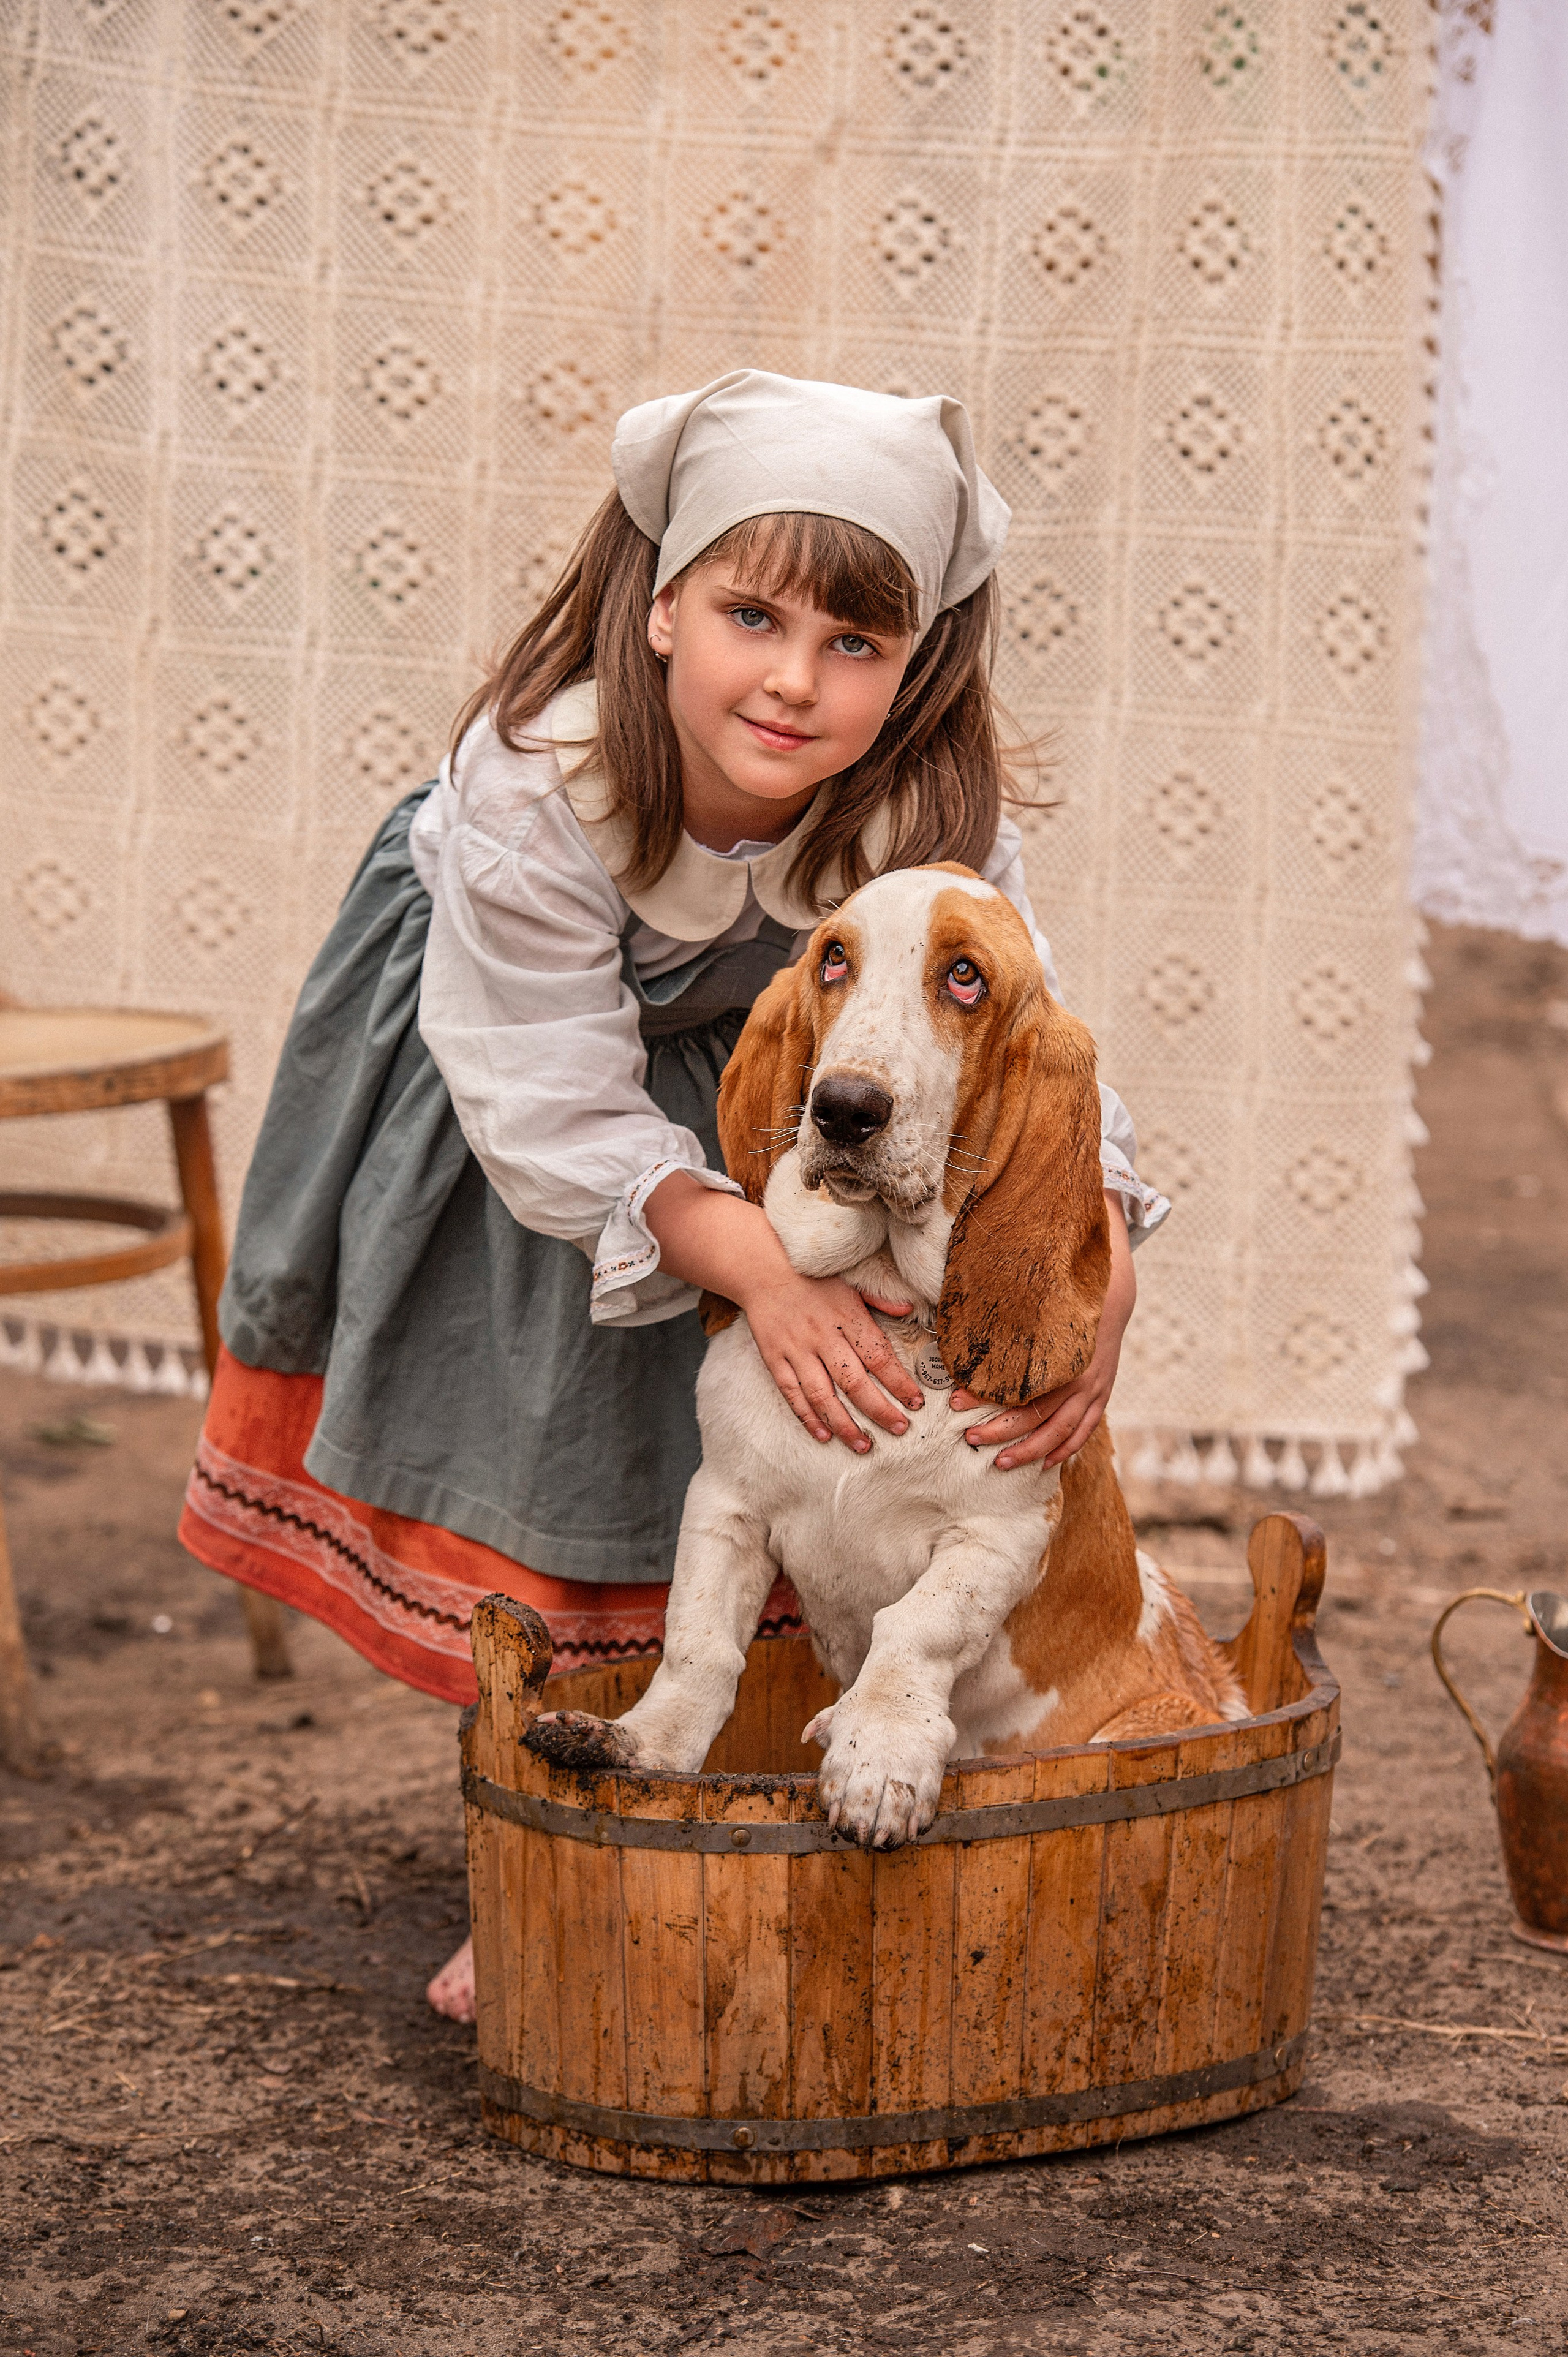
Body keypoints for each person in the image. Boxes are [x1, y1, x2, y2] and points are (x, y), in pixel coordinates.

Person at [178, 372, 1169, 2022]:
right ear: (658, 608)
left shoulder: (928, 810)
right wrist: (761, 1271)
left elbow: (1017, 1029)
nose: (793, 680)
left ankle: (741, 1803)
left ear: (915, 660)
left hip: (780, 1092)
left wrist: (1102, 1251)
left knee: (785, 1464)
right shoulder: (538, 789)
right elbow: (550, 1088)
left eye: (854, 644)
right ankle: (544, 1850)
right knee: (560, 1458)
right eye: (751, 616)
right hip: (528, 1105)